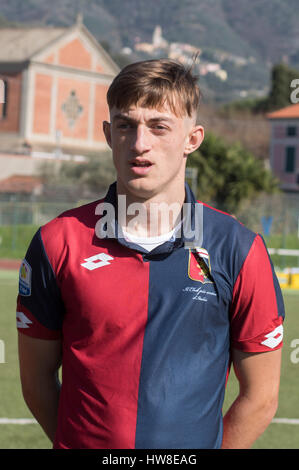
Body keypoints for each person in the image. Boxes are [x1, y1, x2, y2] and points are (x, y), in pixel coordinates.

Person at [16, 59, 284, 449]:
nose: (140, 143)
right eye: (126, 125)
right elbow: (36, 380)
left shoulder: (238, 249)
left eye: (159, 126)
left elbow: (261, 397)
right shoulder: (58, 242)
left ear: (192, 139)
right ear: (109, 134)